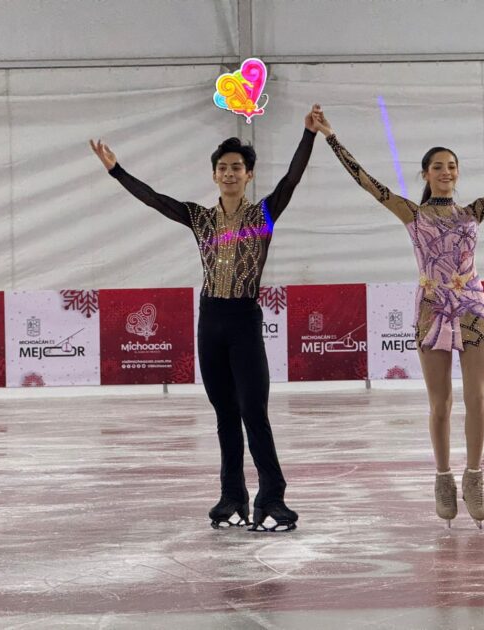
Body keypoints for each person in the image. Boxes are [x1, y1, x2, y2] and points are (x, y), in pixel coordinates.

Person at [312, 105, 484, 528]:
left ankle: (474, 476)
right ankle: (443, 477)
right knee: (440, 403)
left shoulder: (473, 212)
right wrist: (330, 136)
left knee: (477, 397)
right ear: (425, 175)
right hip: (432, 310)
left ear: (457, 173)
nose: (446, 172)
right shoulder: (412, 214)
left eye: (452, 166)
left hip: (472, 309)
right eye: (438, 166)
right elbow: (365, 181)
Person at [89, 105, 321, 531]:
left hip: (244, 321)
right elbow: (156, 200)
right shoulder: (200, 218)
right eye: (223, 167)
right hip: (210, 321)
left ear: (249, 175)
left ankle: (272, 498)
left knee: (254, 412)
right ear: (214, 175)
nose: (230, 173)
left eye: (237, 167)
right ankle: (231, 497)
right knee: (225, 416)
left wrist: (308, 136)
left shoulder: (263, 215)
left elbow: (292, 179)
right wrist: (116, 170)